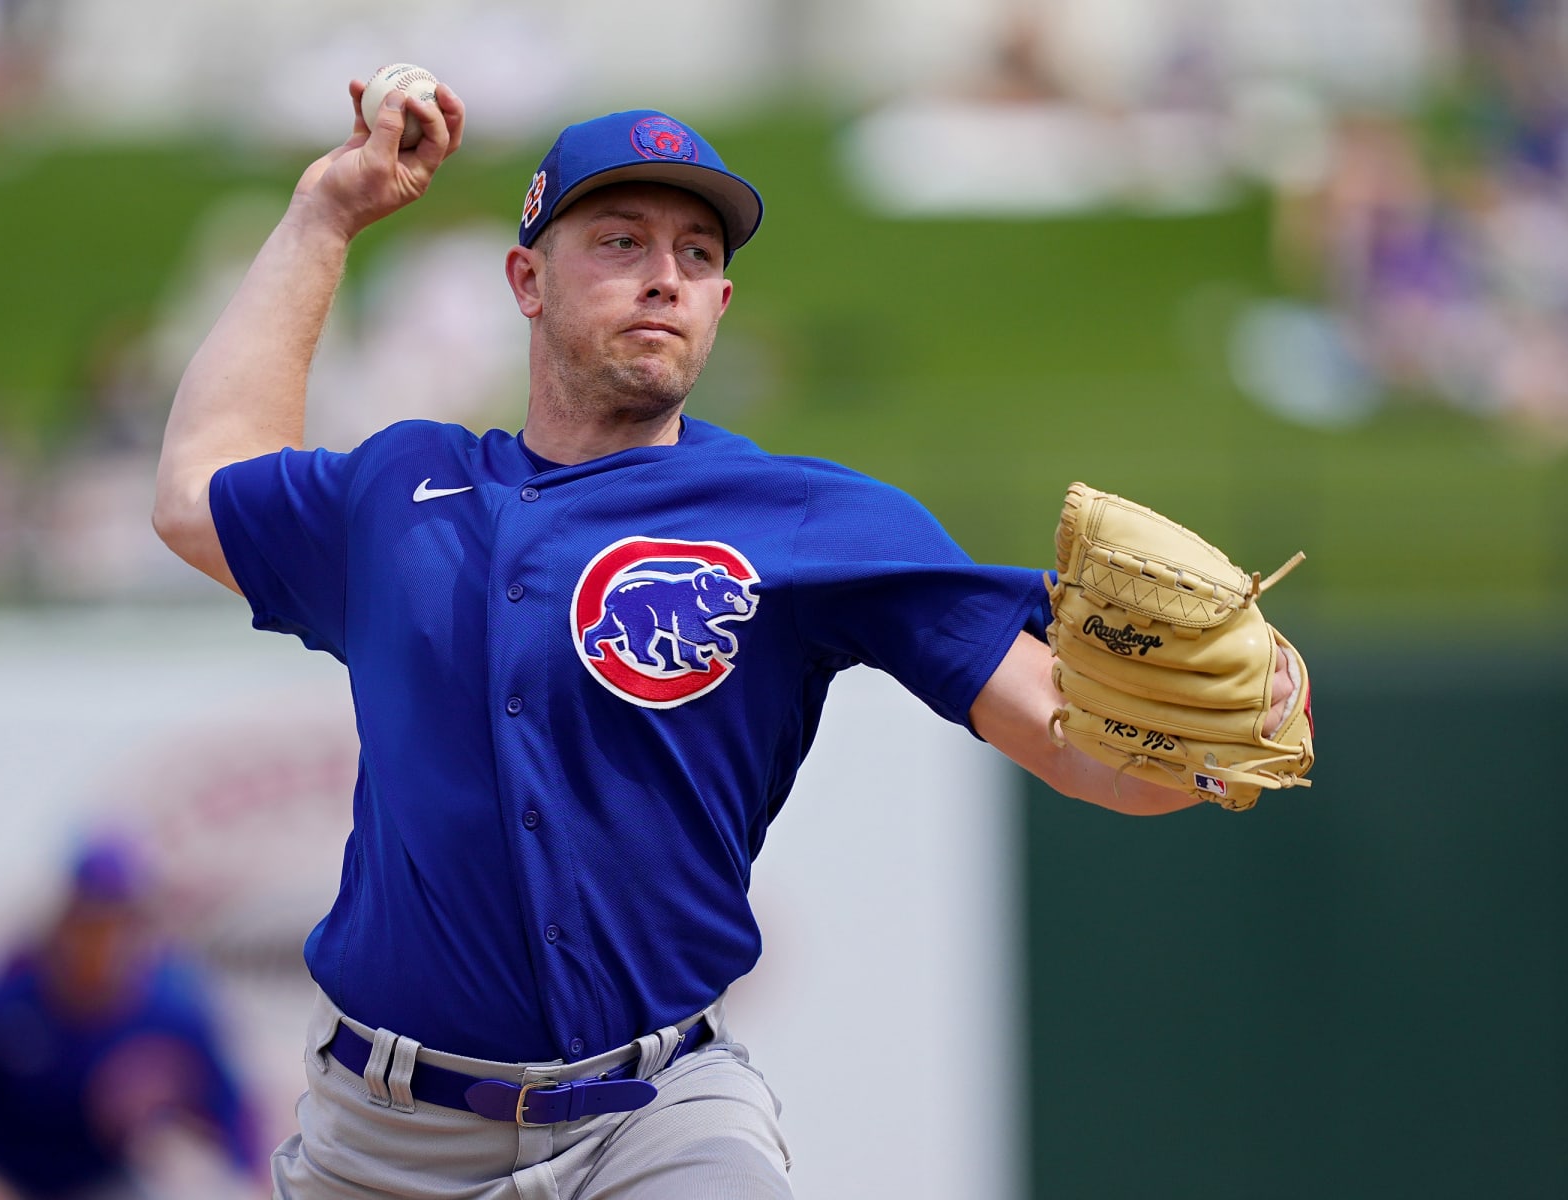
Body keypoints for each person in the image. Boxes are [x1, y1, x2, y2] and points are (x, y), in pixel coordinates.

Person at [151, 79, 1300, 1198]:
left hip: (656, 1122)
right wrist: (328, 210)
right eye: (620, 240)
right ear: (526, 278)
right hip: (382, 1143)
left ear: (721, 306)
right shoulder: (405, 488)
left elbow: (1076, 744)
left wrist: (1217, 739)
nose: (665, 277)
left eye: (699, 257)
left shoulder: (802, 517)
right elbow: (198, 493)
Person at [0, 838, 264, 1200]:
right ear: (66, 919)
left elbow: (232, 1108)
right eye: (91, 922)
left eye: (118, 924)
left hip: (111, 1183)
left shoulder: (172, 1010)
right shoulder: (12, 999)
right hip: (9, 1181)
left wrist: (243, 1182)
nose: (104, 942)